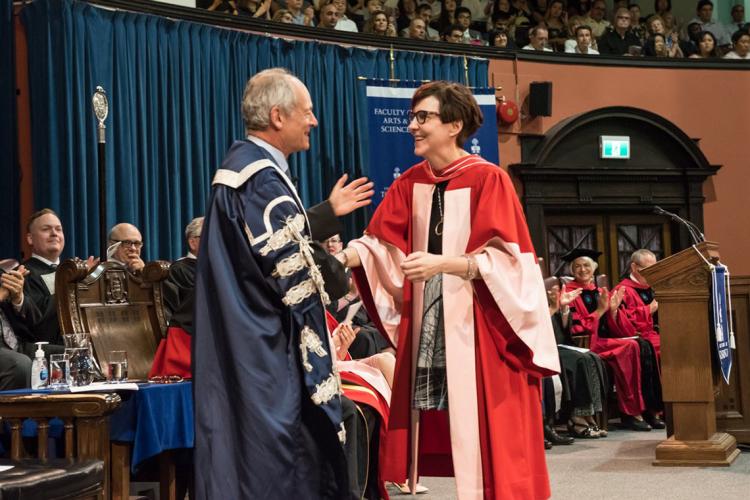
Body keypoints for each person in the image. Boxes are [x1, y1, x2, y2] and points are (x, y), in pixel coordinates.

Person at [337, 81, 559, 498]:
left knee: (488, 427)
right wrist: (338, 259)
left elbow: (513, 263)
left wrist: (446, 264)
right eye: (412, 117)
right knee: (431, 420)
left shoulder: (488, 179)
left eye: (424, 117)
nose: (413, 126)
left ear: (454, 125)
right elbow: (378, 245)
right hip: (431, 317)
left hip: (482, 321)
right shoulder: (411, 182)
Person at [193, 68, 373, 499]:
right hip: (268, 346)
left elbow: (269, 245)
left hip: (245, 335)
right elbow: (291, 276)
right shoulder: (261, 180)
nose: (313, 122)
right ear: (277, 116)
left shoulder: (243, 172)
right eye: (306, 113)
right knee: (281, 460)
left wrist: (326, 213)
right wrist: (348, 264)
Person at [562, 248, 663, 432]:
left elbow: (617, 327)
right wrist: (600, 311)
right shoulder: (569, 294)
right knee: (631, 348)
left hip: (606, 340)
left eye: (586, 265)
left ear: (593, 269)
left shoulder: (600, 291)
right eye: (577, 266)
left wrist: (614, 310)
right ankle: (631, 412)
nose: (582, 270)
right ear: (572, 271)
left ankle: (646, 408)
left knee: (639, 346)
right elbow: (575, 329)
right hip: (588, 344)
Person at [614, 249, 661, 357]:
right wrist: (649, 309)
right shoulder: (622, 291)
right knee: (670, 346)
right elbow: (622, 323)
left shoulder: (654, 288)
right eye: (648, 269)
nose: (652, 273)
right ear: (634, 267)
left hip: (655, 334)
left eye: (654, 269)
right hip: (638, 338)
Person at [0, 263, 36, 390]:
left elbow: (35, 323)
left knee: (70, 355)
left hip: (16, 344)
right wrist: (1, 295)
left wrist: (18, 298)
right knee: (19, 364)